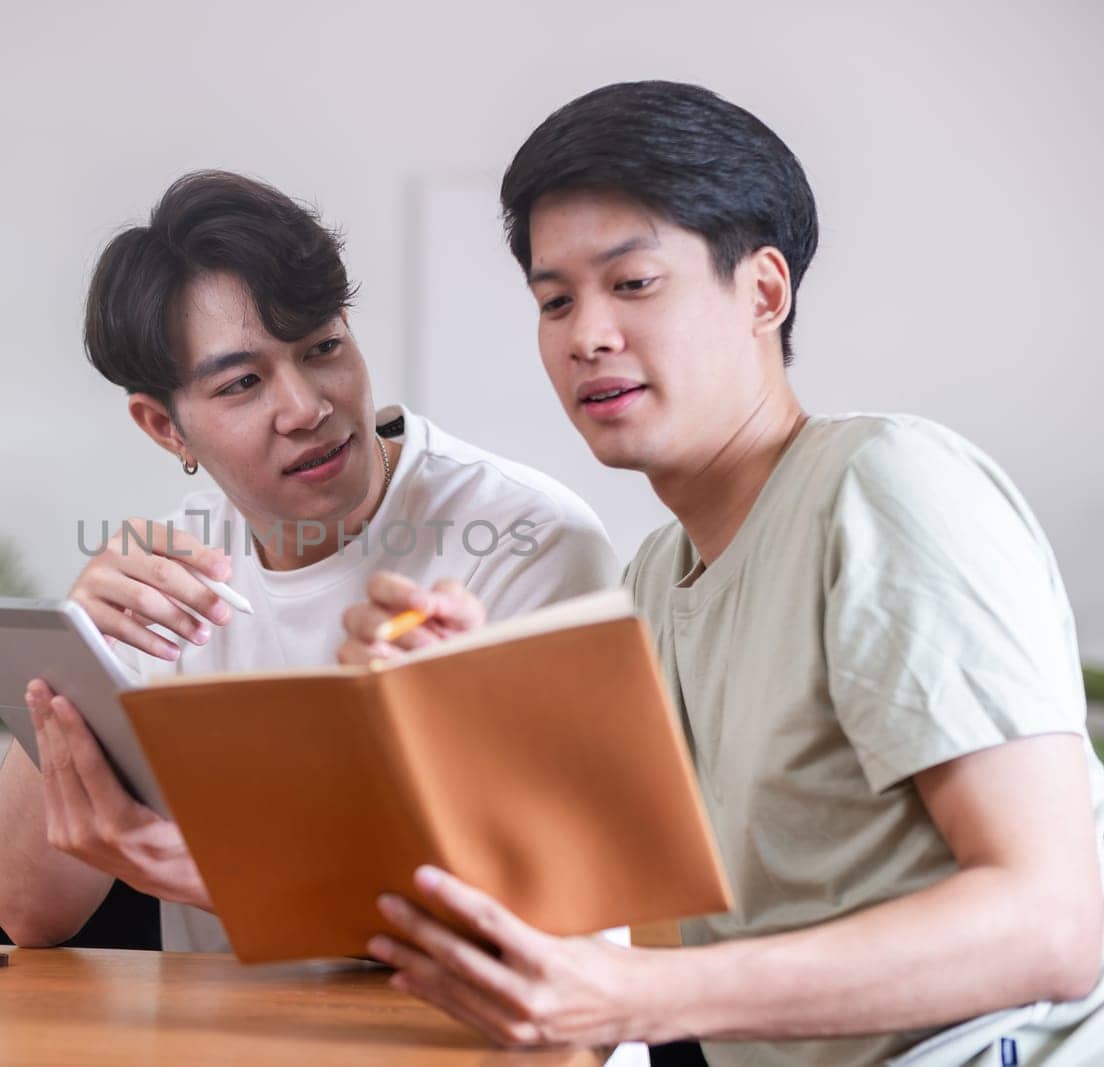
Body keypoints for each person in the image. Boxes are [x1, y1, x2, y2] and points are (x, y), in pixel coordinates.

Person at [345, 82, 1104, 1065]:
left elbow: (1052, 921)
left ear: (763, 291)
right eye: (554, 299)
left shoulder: (881, 484)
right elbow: (573, 867)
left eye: (632, 282)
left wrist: (636, 996)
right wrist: (446, 699)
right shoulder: (657, 579)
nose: (586, 334)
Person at [0, 170, 620, 959]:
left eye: (323, 348)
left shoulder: (527, 540)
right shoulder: (169, 582)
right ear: (163, 427)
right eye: (244, 382)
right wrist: (72, 659)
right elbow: (28, 909)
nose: (307, 407)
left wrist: (218, 873)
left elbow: (553, 923)